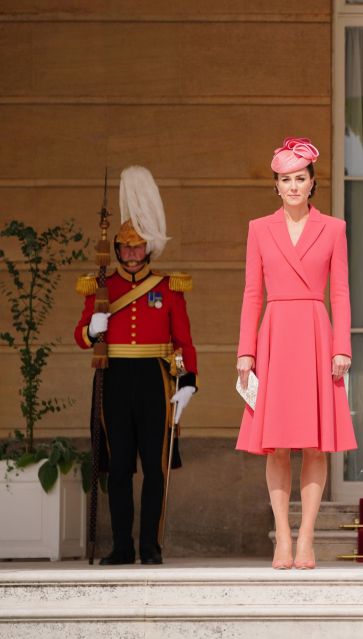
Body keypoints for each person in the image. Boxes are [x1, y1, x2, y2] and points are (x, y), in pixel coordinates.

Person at [236, 136, 356, 570]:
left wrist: (341, 346)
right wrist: (245, 353)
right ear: (276, 185)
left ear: (311, 183)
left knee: (315, 446)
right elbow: (252, 293)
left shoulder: (334, 228)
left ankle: (306, 538)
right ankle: (282, 539)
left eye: (299, 179)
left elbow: (340, 292)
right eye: (284, 179)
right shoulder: (258, 229)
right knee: (276, 447)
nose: (292, 186)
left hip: (315, 334)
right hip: (273, 337)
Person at [75, 165, 198, 565]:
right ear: (116, 251)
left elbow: (184, 340)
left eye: (137, 247)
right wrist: (93, 331)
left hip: (154, 381)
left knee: (156, 468)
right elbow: (79, 336)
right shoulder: (101, 287)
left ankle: (151, 545)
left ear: (148, 248)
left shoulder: (167, 288)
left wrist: (188, 381)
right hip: (113, 379)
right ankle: (123, 547)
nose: (131, 253)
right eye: (125, 248)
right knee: (121, 468)